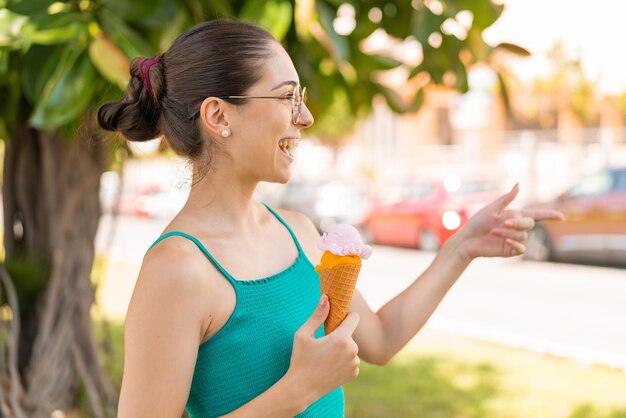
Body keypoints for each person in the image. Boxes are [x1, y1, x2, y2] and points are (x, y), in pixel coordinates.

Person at [97, 19, 564, 418]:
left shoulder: (297, 231)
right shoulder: (176, 270)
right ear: (219, 116)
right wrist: (295, 391)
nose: (306, 116)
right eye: (286, 97)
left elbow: (377, 339)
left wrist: (461, 247)